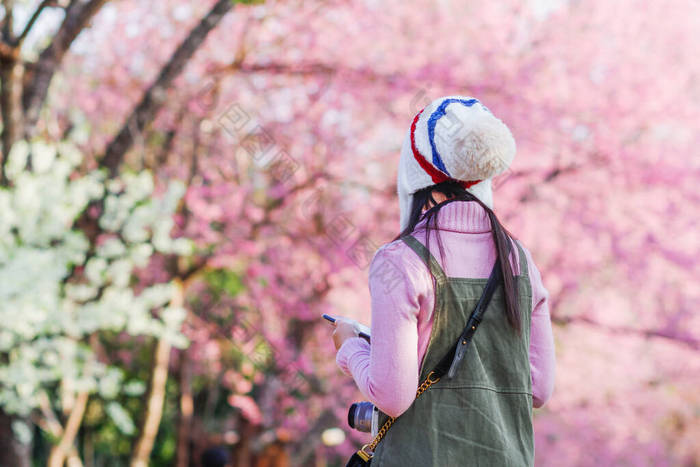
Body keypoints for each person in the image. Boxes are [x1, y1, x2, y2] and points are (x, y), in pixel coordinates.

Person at [331, 95, 556, 466]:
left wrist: (350, 347)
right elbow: (537, 387)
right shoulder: (520, 261)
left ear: (415, 170)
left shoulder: (402, 259)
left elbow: (391, 395)